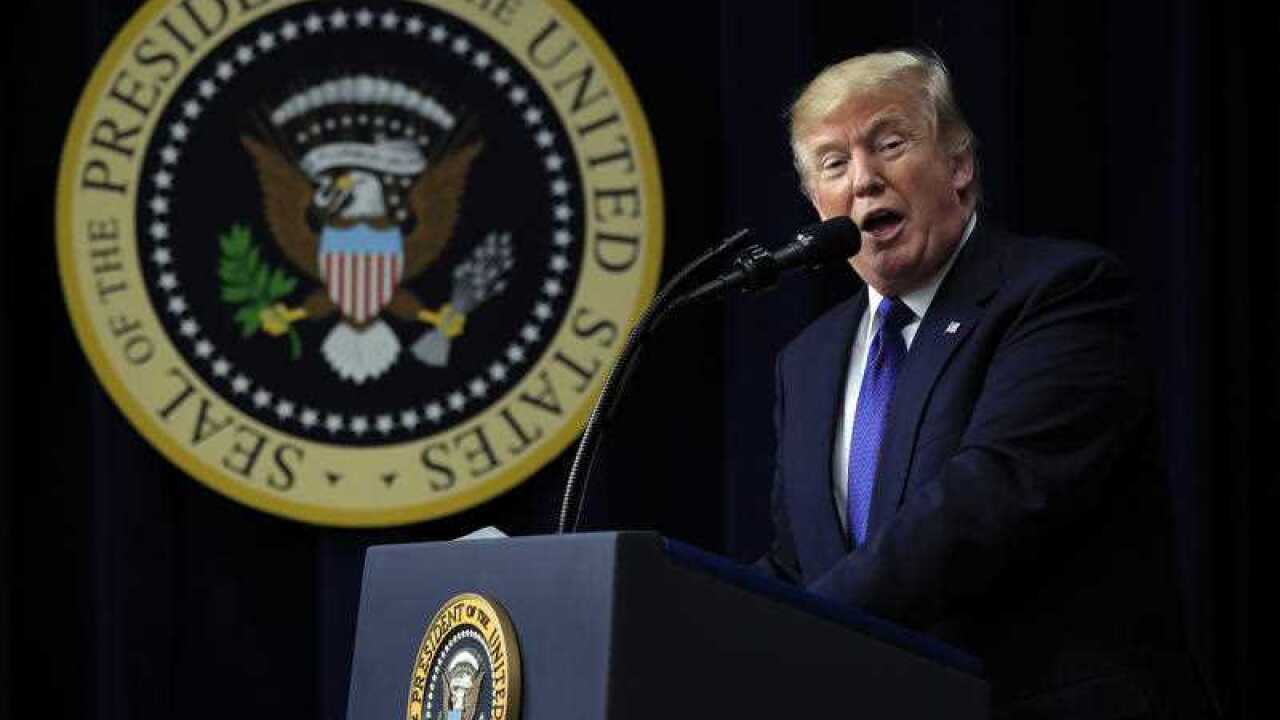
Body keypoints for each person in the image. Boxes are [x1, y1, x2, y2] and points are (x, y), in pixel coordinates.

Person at [760, 49, 1210, 719]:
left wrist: (796, 631)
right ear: (815, 203)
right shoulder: (808, 359)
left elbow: (988, 498)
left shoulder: (1061, 293)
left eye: (890, 143)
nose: (863, 181)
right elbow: (798, 562)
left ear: (959, 166)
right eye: (834, 163)